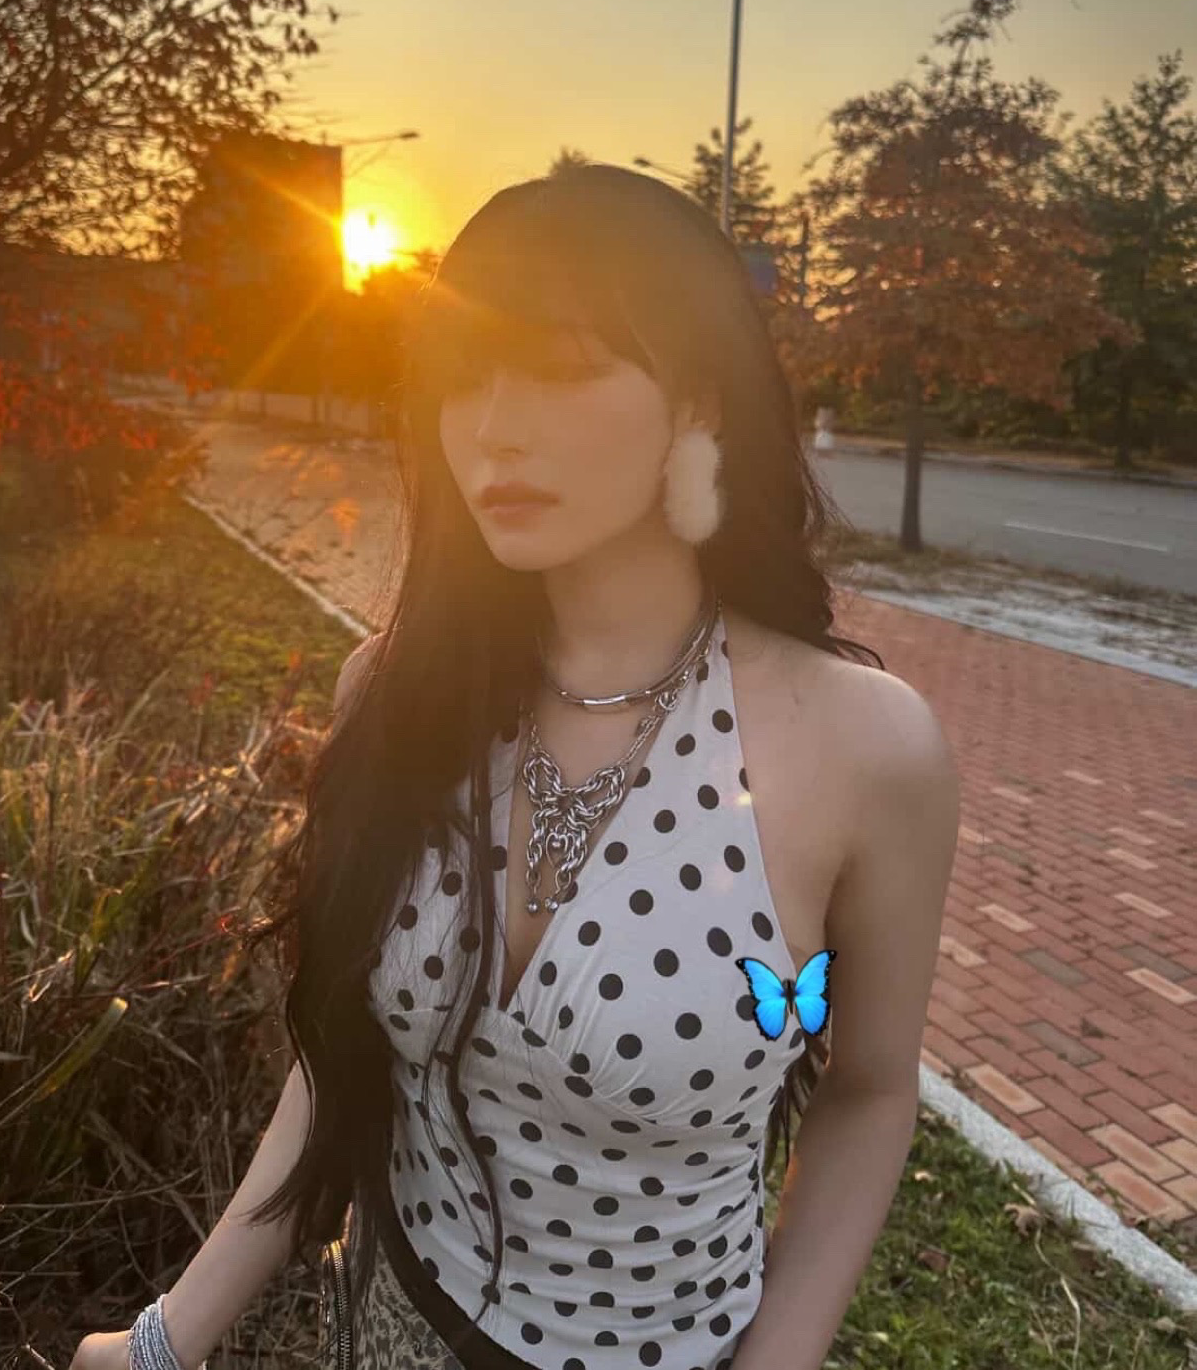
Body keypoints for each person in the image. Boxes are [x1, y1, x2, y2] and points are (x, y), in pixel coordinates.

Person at [69, 164, 959, 1370]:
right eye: (464, 375)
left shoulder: (863, 748)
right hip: (391, 1320)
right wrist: (165, 1339)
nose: (493, 426)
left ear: (696, 396)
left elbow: (869, 1088)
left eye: (559, 367)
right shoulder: (399, 695)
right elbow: (338, 1054)